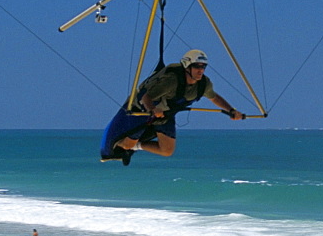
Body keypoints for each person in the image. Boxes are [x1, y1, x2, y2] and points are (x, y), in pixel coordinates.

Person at [100, 50, 245, 165]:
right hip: (143, 110)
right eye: (196, 66)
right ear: (187, 66)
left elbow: (214, 97)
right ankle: (125, 146)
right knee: (125, 145)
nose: (200, 70)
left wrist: (231, 110)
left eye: (203, 67)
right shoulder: (171, 81)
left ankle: (136, 146)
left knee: (167, 150)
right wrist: (152, 109)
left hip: (166, 113)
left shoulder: (204, 84)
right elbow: (145, 96)